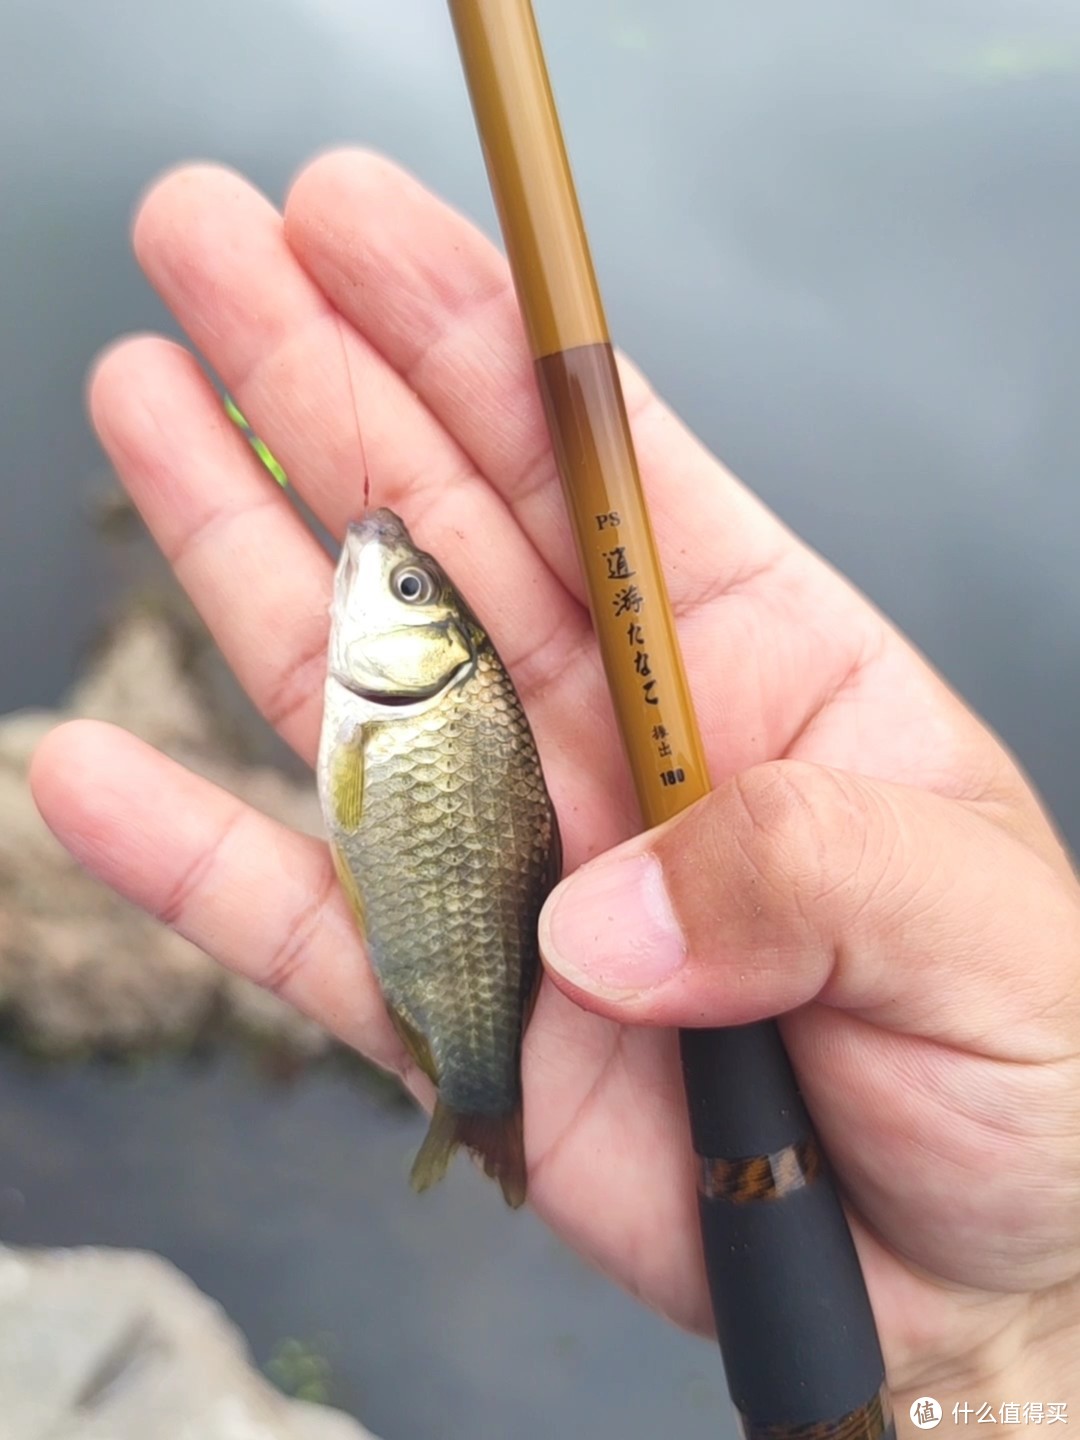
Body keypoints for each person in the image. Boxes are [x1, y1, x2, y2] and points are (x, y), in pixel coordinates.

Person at [30, 152, 1079, 1426]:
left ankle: (478, 1099)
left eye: (411, 591)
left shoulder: (420, 696)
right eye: (415, 589)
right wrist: (1009, 1359)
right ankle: (479, 1096)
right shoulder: (421, 694)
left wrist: (1031, 1326)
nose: (388, 571)